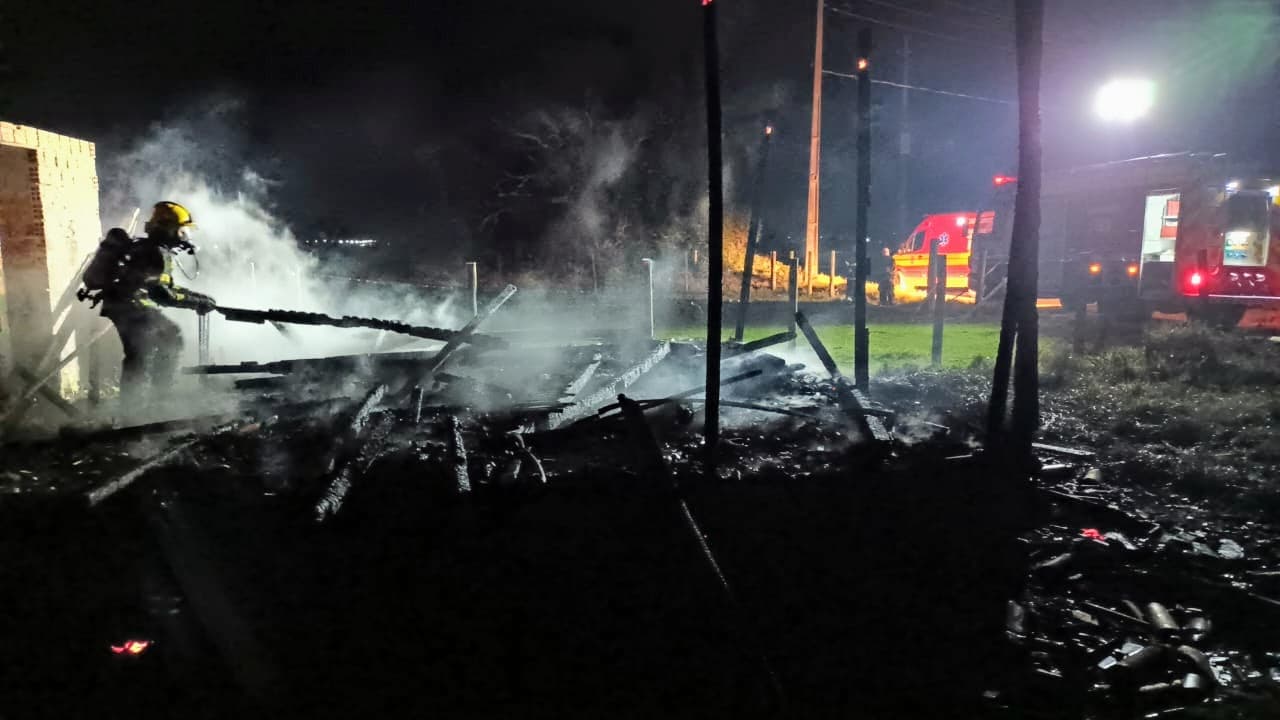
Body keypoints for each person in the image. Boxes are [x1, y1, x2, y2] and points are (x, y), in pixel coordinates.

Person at [81, 201, 216, 404]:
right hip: (131, 308)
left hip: (127, 306)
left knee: (156, 344)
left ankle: (148, 401)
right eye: (182, 232)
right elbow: (163, 295)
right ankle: (147, 404)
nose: (185, 238)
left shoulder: (147, 248)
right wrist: (195, 302)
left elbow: (164, 287)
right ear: (169, 231)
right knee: (152, 347)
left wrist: (198, 298)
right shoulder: (157, 253)